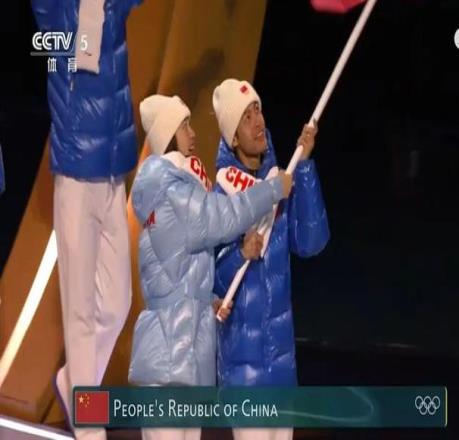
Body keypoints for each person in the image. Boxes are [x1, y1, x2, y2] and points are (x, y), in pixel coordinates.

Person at [128, 95, 293, 440]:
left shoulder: (178, 191)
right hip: (167, 363)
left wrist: (209, 302)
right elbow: (222, 216)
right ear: (169, 134)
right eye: (185, 126)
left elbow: (179, 277)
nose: (193, 134)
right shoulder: (171, 192)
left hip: (185, 361)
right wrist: (272, 190)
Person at [31, 1, 142, 438]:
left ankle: (73, 384)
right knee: (79, 311)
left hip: (114, 172)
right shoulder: (55, 11)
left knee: (116, 304)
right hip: (76, 171)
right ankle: (88, 423)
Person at [212, 79, 330, 440]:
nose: (258, 121)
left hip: (281, 369)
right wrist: (239, 254)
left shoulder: (280, 181)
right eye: (246, 117)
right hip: (244, 374)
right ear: (233, 137)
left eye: (258, 110)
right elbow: (208, 279)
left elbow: (310, 242)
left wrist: (304, 168)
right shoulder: (221, 195)